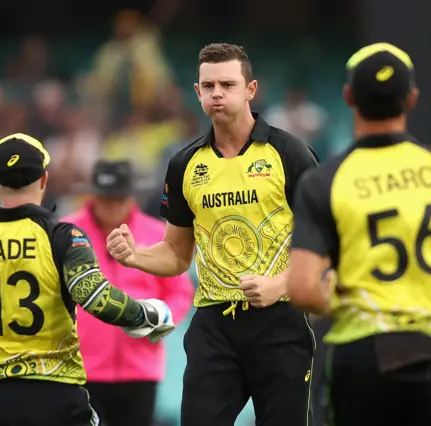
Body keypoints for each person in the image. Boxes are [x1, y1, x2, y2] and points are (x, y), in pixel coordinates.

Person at [286, 42, 431, 426]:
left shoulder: (324, 181)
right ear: (412, 98)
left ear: (348, 97)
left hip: (360, 356)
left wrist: (338, 301)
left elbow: (301, 289)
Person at [107, 43, 319, 426]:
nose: (217, 93)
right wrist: (133, 255)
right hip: (214, 327)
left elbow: (325, 245)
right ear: (197, 92)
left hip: (280, 323)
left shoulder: (289, 154)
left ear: (250, 90)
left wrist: (278, 285)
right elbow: (176, 254)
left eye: (227, 84)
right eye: (209, 86)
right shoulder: (185, 163)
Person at [0, 133, 176, 426]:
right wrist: (148, 314)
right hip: (58, 398)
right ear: (44, 180)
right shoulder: (65, 237)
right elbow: (97, 299)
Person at [61, 159, 194, 426]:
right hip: (79, 367)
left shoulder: (158, 235)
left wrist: (161, 320)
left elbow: (180, 291)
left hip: (140, 366)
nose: (112, 207)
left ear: (131, 196)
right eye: (105, 199)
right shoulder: (65, 233)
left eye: (118, 199)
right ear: (94, 196)